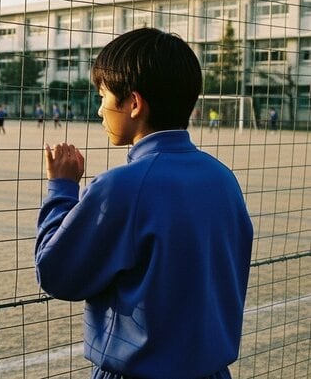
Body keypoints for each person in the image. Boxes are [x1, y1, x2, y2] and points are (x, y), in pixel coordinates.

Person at [35, 28, 253, 379]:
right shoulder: (223, 179)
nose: (100, 110)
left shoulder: (122, 186)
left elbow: (55, 273)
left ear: (134, 104)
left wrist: (61, 188)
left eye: (103, 96)